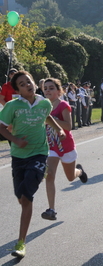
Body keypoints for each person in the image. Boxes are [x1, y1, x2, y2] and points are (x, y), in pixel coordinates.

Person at [0, 71, 66, 258]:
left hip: (39, 153)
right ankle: (31, 184)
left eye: (28, 81)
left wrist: (59, 128)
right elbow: (1, 126)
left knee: (27, 197)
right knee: (21, 197)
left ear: (34, 82)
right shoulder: (12, 106)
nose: (27, 85)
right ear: (18, 90)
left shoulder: (44, 102)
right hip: (18, 157)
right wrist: (15, 140)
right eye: (22, 84)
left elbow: (47, 116)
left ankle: (21, 243)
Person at [41, 78, 88, 221]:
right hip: (51, 146)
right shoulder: (42, 106)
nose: (48, 90)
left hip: (66, 145)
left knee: (70, 177)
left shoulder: (63, 105)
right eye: (45, 88)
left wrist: (51, 119)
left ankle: (79, 172)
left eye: (51, 88)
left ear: (58, 90)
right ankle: (51, 210)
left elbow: (68, 126)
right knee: (49, 175)